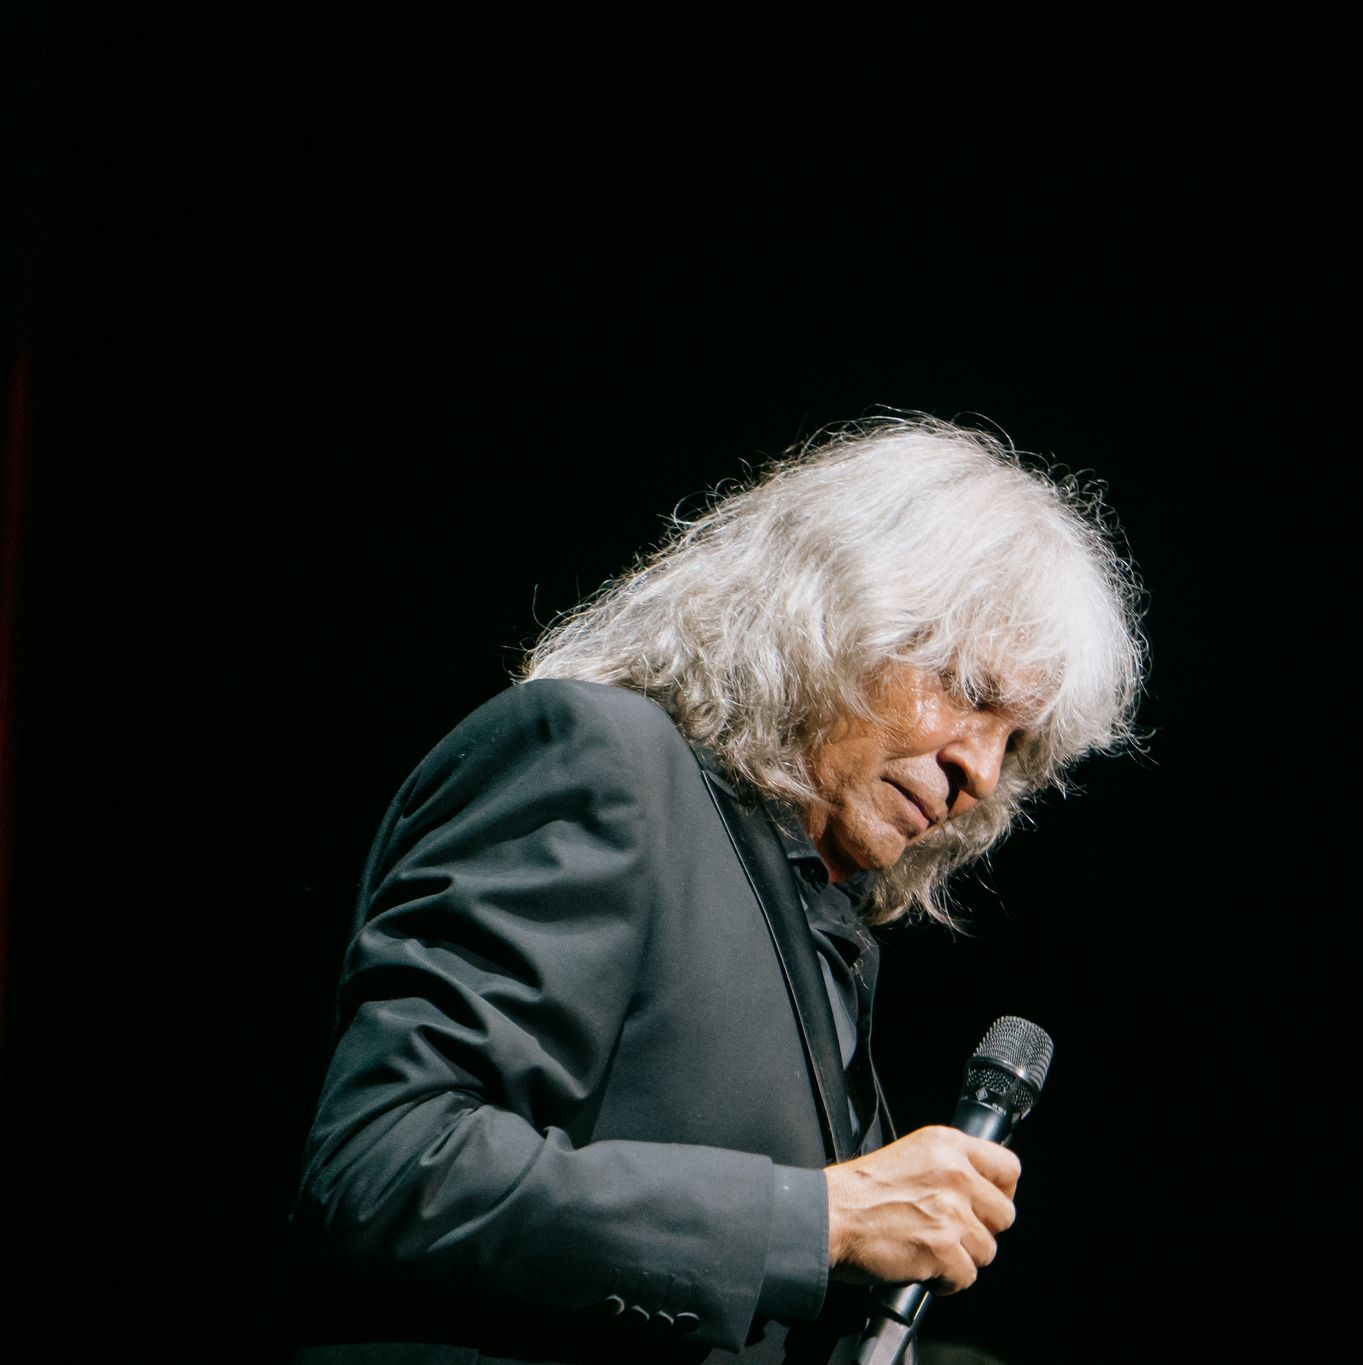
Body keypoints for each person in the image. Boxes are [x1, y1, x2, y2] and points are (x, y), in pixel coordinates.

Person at [284, 416, 1146, 1365]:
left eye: (1014, 742)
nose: (979, 768)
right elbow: (381, 1161)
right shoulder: (599, 758)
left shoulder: (824, 926)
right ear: (835, 614)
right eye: (968, 688)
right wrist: (818, 1219)